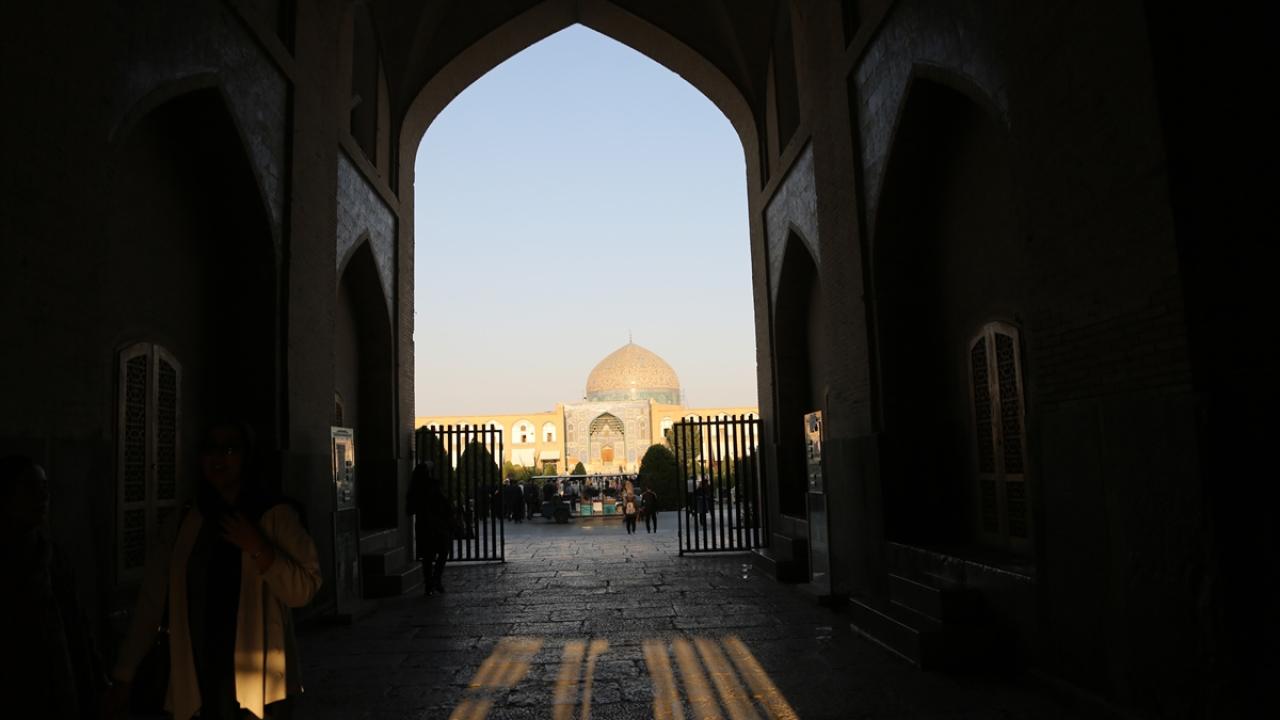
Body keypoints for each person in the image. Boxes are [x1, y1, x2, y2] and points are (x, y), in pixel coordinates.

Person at [107, 422, 321, 720]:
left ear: (247, 456)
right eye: (210, 449)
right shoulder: (186, 520)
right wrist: (125, 673)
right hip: (196, 674)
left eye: (230, 448)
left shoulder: (274, 516)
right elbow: (152, 601)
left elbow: (304, 589)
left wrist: (260, 549)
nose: (219, 458)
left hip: (256, 685)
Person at [1, 455, 103, 720]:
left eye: (45, 487)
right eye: (31, 488)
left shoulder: (53, 557)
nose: (43, 496)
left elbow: (77, 625)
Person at [406, 461, 452, 595]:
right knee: (442, 552)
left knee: (427, 557)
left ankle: (429, 584)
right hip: (436, 525)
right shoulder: (433, 485)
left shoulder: (413, 488)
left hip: (422, 525)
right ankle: (436, 579)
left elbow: (409, 510)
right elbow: (444, 503)